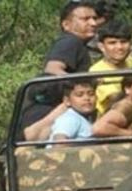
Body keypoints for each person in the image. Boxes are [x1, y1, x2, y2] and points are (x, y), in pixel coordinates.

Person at [20, 1, 99, 141]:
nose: (93, 23)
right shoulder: (70, 42)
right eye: (85, 19)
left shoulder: (77, 44)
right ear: (66, 25)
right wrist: (80, 88)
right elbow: (53, 69)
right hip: (47, 112)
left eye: (94, 18)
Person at [89, 20, 132, 114]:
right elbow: (113, 98)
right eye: (112, 43)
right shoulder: (97, 71)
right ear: (101, 46)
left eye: (123, 42)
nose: (119, 47)